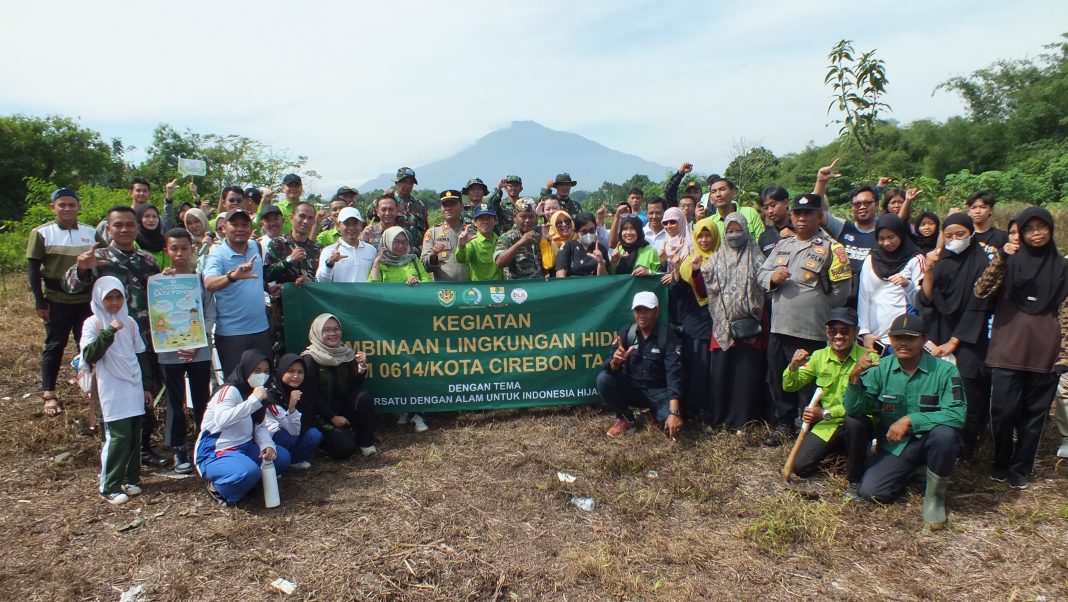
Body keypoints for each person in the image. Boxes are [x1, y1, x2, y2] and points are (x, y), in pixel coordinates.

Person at [64, 205, 169, 468]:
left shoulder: (148, 260)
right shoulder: (98, 258)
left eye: (129, 224)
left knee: (145, 393)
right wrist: (81, 268)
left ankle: (142, 449)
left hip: (143, 338)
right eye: (118, 225)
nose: (124, 230)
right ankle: (115, 453)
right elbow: (70, 287)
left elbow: (158, 298)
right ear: (108, 228)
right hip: (110, 343)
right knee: (113, 398)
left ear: (137, 227)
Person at [974, 206, 1068, 489]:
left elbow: (1066, 313)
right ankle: (1001, 461)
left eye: (1042, 227)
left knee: (1034, 415)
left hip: (1045, 351)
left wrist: (1065, 354)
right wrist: (1001, 257)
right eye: (1029, 229)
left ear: (1051, 230)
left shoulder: (1062, 267)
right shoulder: (1008, 262)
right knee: (1003, 411)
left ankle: (1022, 467)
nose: (1036, 233)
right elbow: (981, 291)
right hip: (1007, 349)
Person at [843, 314, 965, 530]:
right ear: (890, 339)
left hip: (930, 443)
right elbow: (855, 410)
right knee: (872, 492)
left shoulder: (945, 370)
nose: (903, 343)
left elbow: (957, 414)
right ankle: (915, 473)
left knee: (945, 434)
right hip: (896, 446)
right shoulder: (881, 367)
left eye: (911, 338)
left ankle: (935, 499)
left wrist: (910, 419)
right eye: (897, 337)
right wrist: (854, 377)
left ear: (924, 339)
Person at [758, 194, 852, 446]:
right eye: (797, 213)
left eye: (808, 213)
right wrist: (773, 278)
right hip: (779, 326)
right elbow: (761, 273)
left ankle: (809, 428)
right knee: (780, 377)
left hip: (811, 329)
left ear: (819, 216)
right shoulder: (783, 245)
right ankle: (784, 424)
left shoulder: (832, 248)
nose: (801, 218)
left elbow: (842, 292)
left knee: (808, 383)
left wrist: (817, 306)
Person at [916, 213, 991, 457]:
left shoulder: (982, 263)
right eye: (948, 235)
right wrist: (929, 269)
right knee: (935, 385)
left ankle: (966, 445)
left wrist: (954, 342)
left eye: (960, 234)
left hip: (969, 336)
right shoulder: (941, 260)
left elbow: (978, 306)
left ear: (971, 233)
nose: (954, 240)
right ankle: (936, 440)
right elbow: (925, 299)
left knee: (967, 387)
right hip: (938, 330)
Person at [782, 308, 873, 498]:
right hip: (828, 425)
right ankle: (843, 455)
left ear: (856, 331)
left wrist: (824, 413)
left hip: (857, 421)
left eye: (844, 331)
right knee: (801, 467)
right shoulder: (819, 356)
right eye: (833, 331)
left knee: (854, 422)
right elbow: (790, 386)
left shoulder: (869, 359)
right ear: (826, 332)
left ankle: (855, 479)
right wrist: (793, 366)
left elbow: (865, 404)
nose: (838, 336)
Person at [27, 188, 99, 417]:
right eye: (62, 205)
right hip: (57, 300)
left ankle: (90, 389)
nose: (67, 209)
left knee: (86, 345)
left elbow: (104, 258)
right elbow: (33, 269)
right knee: (55, 345)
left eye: (72, 205)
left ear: (79, 207)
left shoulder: (91, 232)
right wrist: (39, 302)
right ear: (53, 208)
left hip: (86, 300)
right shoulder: (42, 233)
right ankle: (49, 393)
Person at [80, 277, 148, 504]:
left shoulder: (130, 322)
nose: (114, 302)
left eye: (118, 297)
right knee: (118, 436)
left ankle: (131, 478)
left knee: (134, 434)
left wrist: (147, 386)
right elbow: (89, 354)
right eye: (109, 298)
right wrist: (108, 331)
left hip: (133, 383)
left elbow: (140, 354)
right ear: (99, 299)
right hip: (110, 385)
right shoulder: (93, 323)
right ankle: (109, 485)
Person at [195, 349, 289, 506]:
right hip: (216, 451)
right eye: (256, 371)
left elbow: (259, 425)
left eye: (266, 371)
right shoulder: (229, 391)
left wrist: (267, 445)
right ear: (246, 369)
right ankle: (218, 488)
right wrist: (253, 401)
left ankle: (246, 483)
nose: (262, 375)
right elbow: (222, 420)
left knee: (282, 458)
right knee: (247, 472)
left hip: (245, 446)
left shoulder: (258, 392)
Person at [701, 213, 769, 430]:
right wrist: (695, 272)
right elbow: (703, 289)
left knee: (746, 377)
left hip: (750, 327)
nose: (733, 235)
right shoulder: (715, 259)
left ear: (746, 230)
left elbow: (766, 285)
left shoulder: (757, 257)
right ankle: (720, 419)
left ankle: (744, 421)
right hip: (723, 327)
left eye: (737, 230)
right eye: (729, 231)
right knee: (721, 375)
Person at [157, 228, 216, 473]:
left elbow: (210, 313)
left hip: (198, 350)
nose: (180, 253)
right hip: (169, 351)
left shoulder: (201, 280)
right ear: (166, 251)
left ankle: (205, 442)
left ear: (193, 249)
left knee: (202, 396)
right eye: (174, 248)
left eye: (184, 248)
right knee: (174, 399)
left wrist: (198, 343)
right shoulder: (159, 282)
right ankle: (178, 446)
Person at [596, 291, 684, 438]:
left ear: (656, 312)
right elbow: (609, 363)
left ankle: (656, 414)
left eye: (647, 310)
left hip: (659, 392)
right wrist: (615, 362)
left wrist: (674, 413)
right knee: (603, 379)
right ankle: (626, 419)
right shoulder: (627, 331)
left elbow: (674, 372)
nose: (642, 315)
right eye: (638, 310)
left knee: (673, 430)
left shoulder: (668, 335)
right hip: (633, 388)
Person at [202, 208, 272, 377]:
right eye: (234, 224)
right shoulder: (217, 255)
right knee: (236, 383)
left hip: (261, 330)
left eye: (244, 224)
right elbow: (209, 283)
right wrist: (232, 276)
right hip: (232, 334)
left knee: (263, 381)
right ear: (224, 228)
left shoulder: (256, 246)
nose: (240, 228)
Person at [300, 314, 378, 454]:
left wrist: (362, 367)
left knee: (364, 396)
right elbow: (312, 395)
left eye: (336, 329)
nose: (333, 333)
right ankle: (325, 441)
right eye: (326, 330)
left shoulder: (345, 353)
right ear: (317, 333)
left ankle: (365, 442)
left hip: (342, 408)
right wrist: (332, 417)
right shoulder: (310, 358)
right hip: (320, 416)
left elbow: (354, 386)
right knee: (346, 448)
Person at [672, 217, 719, 424]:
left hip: (719, 322)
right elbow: (680, 295)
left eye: (708, 235)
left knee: (713, 370)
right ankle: (693, 411)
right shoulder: (688, 263)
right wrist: (676, 271)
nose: (704, 240)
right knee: (696, 369)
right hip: (696, 324)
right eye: (700, 236)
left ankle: (711, 410)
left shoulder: (723, 260)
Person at [858, 215, 925, 349]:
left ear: (900, 234)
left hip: (903, 335)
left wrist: (907, 284)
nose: (887, 243)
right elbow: (864, 296)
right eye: (882, 239)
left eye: (891, 237)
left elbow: (920, 302)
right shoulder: (871, 258)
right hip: (874, 338)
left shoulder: (915, 259)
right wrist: (864, 332)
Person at [264, 354, 324, 469]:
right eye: (290, 371)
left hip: (296, 430)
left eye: (300, 372)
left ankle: (295, 460)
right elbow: (289, 428)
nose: (296, 376)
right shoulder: (272, 393)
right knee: (287, 436)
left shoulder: (305, 388)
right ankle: (278, 461)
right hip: (277, 435)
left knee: (314, 434)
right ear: (281, 371)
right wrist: (292, 406)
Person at [316, 207, 377, 283]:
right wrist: (330, 263)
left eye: (355, 223)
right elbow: (322, 281)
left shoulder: (371, 250)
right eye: (347, 223)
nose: (351, 228)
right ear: (338, 225)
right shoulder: (328, 251)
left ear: (361, 224)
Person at [421, 190, 469, 282]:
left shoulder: (471, 230)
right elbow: (423, 266)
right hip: (443, 289)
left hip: (470, 288)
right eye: (445, 205)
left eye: (452, 204)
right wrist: (433, 255)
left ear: (462, 207)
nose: (448, 208)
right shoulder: (433, 233)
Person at [494, 198, 543, 280]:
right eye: (523, 217)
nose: (527, 220)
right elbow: (499, 263)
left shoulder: (540, 235)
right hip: (517, 286)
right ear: (514, 217)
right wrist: (520, 244)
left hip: (539, 285)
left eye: (531, 216)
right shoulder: (507, 237)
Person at [705, 176, 764, 241]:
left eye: (722, 189)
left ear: (733, 193)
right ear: (711, 199)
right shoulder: (709, 222)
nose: (718, 194)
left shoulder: (750, 213)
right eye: (713, 192)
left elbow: (761, 241)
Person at [456, 204, 503, 281]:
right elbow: (461, 259)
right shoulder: (472, 242)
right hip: (479, 287)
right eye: (481, 219)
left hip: (500, 287)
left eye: (488, 218)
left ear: (495, 221)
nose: (485, 222)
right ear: (474, 222)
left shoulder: (501, 240)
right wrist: (461, 246)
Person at [96, 178, 152, 243]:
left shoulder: (154, 221)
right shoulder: (107, 222)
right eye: (138, 190)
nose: (141, 193)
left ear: (149, 194)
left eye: (145, 191)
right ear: (130, 193)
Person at [555, 212, 609, 277]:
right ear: (577, 231)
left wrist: (601, 263)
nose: (588, 234)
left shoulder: (601, 249)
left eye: (591, 230)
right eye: (584, 231)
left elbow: (605, 278)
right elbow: (560, 274)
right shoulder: (568, 247)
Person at [392, 167, 429, 245]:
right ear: (397, 183)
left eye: (411, 183)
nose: (408, 185)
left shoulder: (419, 205)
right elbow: (370, 214)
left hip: (417, 250)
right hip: (396, 249)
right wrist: (384, 197)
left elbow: (427, 229)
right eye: (404, 182)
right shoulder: (388, 202)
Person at [758, 186, 792, 257]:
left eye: (773, 205)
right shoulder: (764, 238)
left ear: (785, 203)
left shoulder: (801, 229)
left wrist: (796, 237)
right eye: (766, 208)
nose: (770, 211)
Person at [540, 211, 577, 276]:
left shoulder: (579, 237)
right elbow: (548, 264)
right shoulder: (552, 242)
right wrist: (544, 240)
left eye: (567, 221)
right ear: (554, 226)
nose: (564, 224)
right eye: (559, 223)